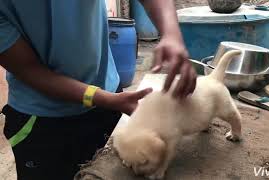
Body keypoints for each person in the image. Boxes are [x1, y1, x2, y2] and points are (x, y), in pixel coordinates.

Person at [0, 0, 197, 179]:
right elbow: (29, 69)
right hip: (42, 121)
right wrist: (102, 98)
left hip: (111, 97)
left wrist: (171, 34)